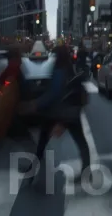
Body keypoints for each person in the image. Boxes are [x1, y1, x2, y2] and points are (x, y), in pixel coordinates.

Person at [20, 45, 91, 180]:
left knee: (42, 142)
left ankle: (32, 170)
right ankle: (87, 172)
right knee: (81, 142)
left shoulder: (59, 71)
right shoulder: (70, 68)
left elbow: (54, 93)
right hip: (71, 112)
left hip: (58, 112)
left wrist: (35, 104)